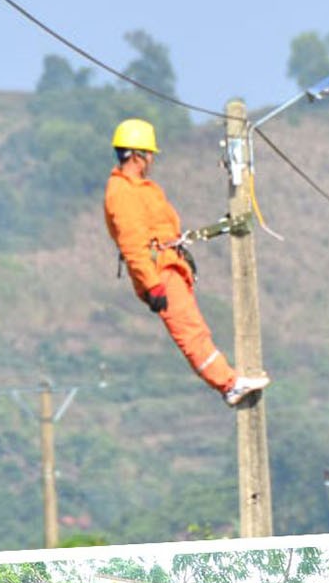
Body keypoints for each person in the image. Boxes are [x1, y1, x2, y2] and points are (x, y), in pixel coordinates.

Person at [103, 118, 270, 408]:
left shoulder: (141, 188)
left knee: (196, 328)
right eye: (150, 153)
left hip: (169, 265)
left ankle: (229, 381)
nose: (152, 159)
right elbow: (132, 244)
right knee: (190, 332)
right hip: (159, 272)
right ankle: (228, 385)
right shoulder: (122, 193)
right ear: (139, 154)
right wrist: (151, 284)